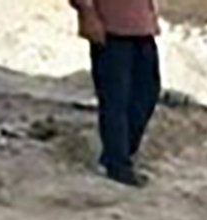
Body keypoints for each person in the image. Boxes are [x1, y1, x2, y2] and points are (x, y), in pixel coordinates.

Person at [69, 0, 161, 187]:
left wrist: (152, 14)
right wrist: (87, 13)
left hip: (142, 28)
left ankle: (120, 153)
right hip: (110, 29)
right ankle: (117, 164)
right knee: (115, 99)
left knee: (148, 93)